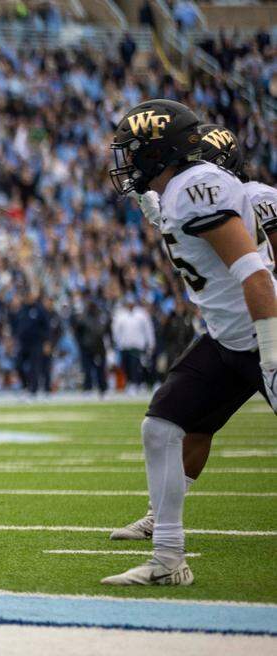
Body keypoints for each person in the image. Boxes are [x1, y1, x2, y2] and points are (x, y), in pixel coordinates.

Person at [102, 99, 277, 586]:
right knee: (162, 426)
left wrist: (272, 352)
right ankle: (168, 560)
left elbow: (254, 272)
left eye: (135, 152)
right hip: (227, 339)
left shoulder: (197, 189)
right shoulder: (179, 191)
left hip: (261, 334)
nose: (127, 163)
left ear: (160, 153)